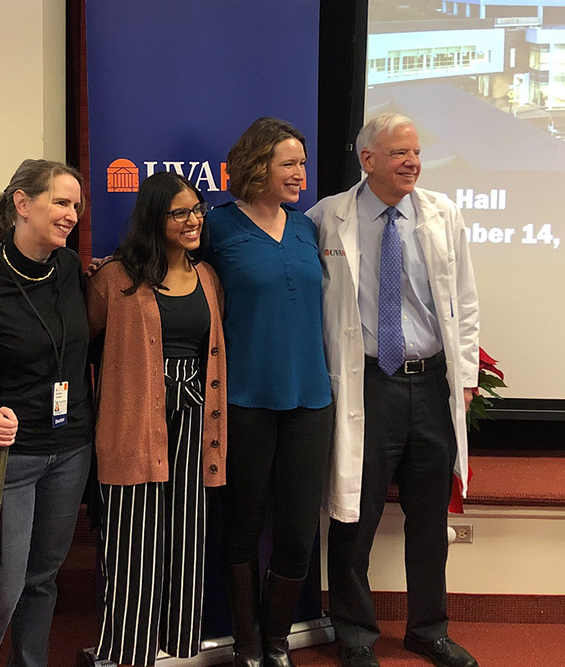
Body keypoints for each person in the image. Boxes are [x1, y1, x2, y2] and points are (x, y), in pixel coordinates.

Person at [307, 113, 480, 667]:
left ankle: (429, 629)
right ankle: (356, 635)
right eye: (399, 152)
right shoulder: (326, 217)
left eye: (416, 151)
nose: (412, 161)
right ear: (368, 159)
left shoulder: (442, 214)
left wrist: (469, 377)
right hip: (367, 386)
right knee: (353, 516)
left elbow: (466, 303)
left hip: (429, 385)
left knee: (430, 520)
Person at [0, 159, 92, 667]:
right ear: (22, 205)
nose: (73, 213)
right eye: (61, 202)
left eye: (77, 204)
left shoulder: (70, 270)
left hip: (70, 450)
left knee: (44, 579)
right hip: (13, 459)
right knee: (2, 587)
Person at [206, 117, 334, 667]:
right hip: (244, 401)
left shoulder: (308, 228)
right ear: (258, 166)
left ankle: (277, 637)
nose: (300, 174)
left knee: (299, 528)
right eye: (289, 163)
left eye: (302, 164)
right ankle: (248, 642)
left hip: (310, 399)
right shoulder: (216, 226)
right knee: (241, 525)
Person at [86, 171, 228, 666]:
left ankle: (177, 646)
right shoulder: (115, 278)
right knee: (132, 544)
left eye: (197, 210)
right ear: (155, 217)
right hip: (132, 426)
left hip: (195, 425)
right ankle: (128, 652)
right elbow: (82, 345)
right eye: (179, 213)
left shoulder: (208, 277)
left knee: (187, 537)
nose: (192, 221)